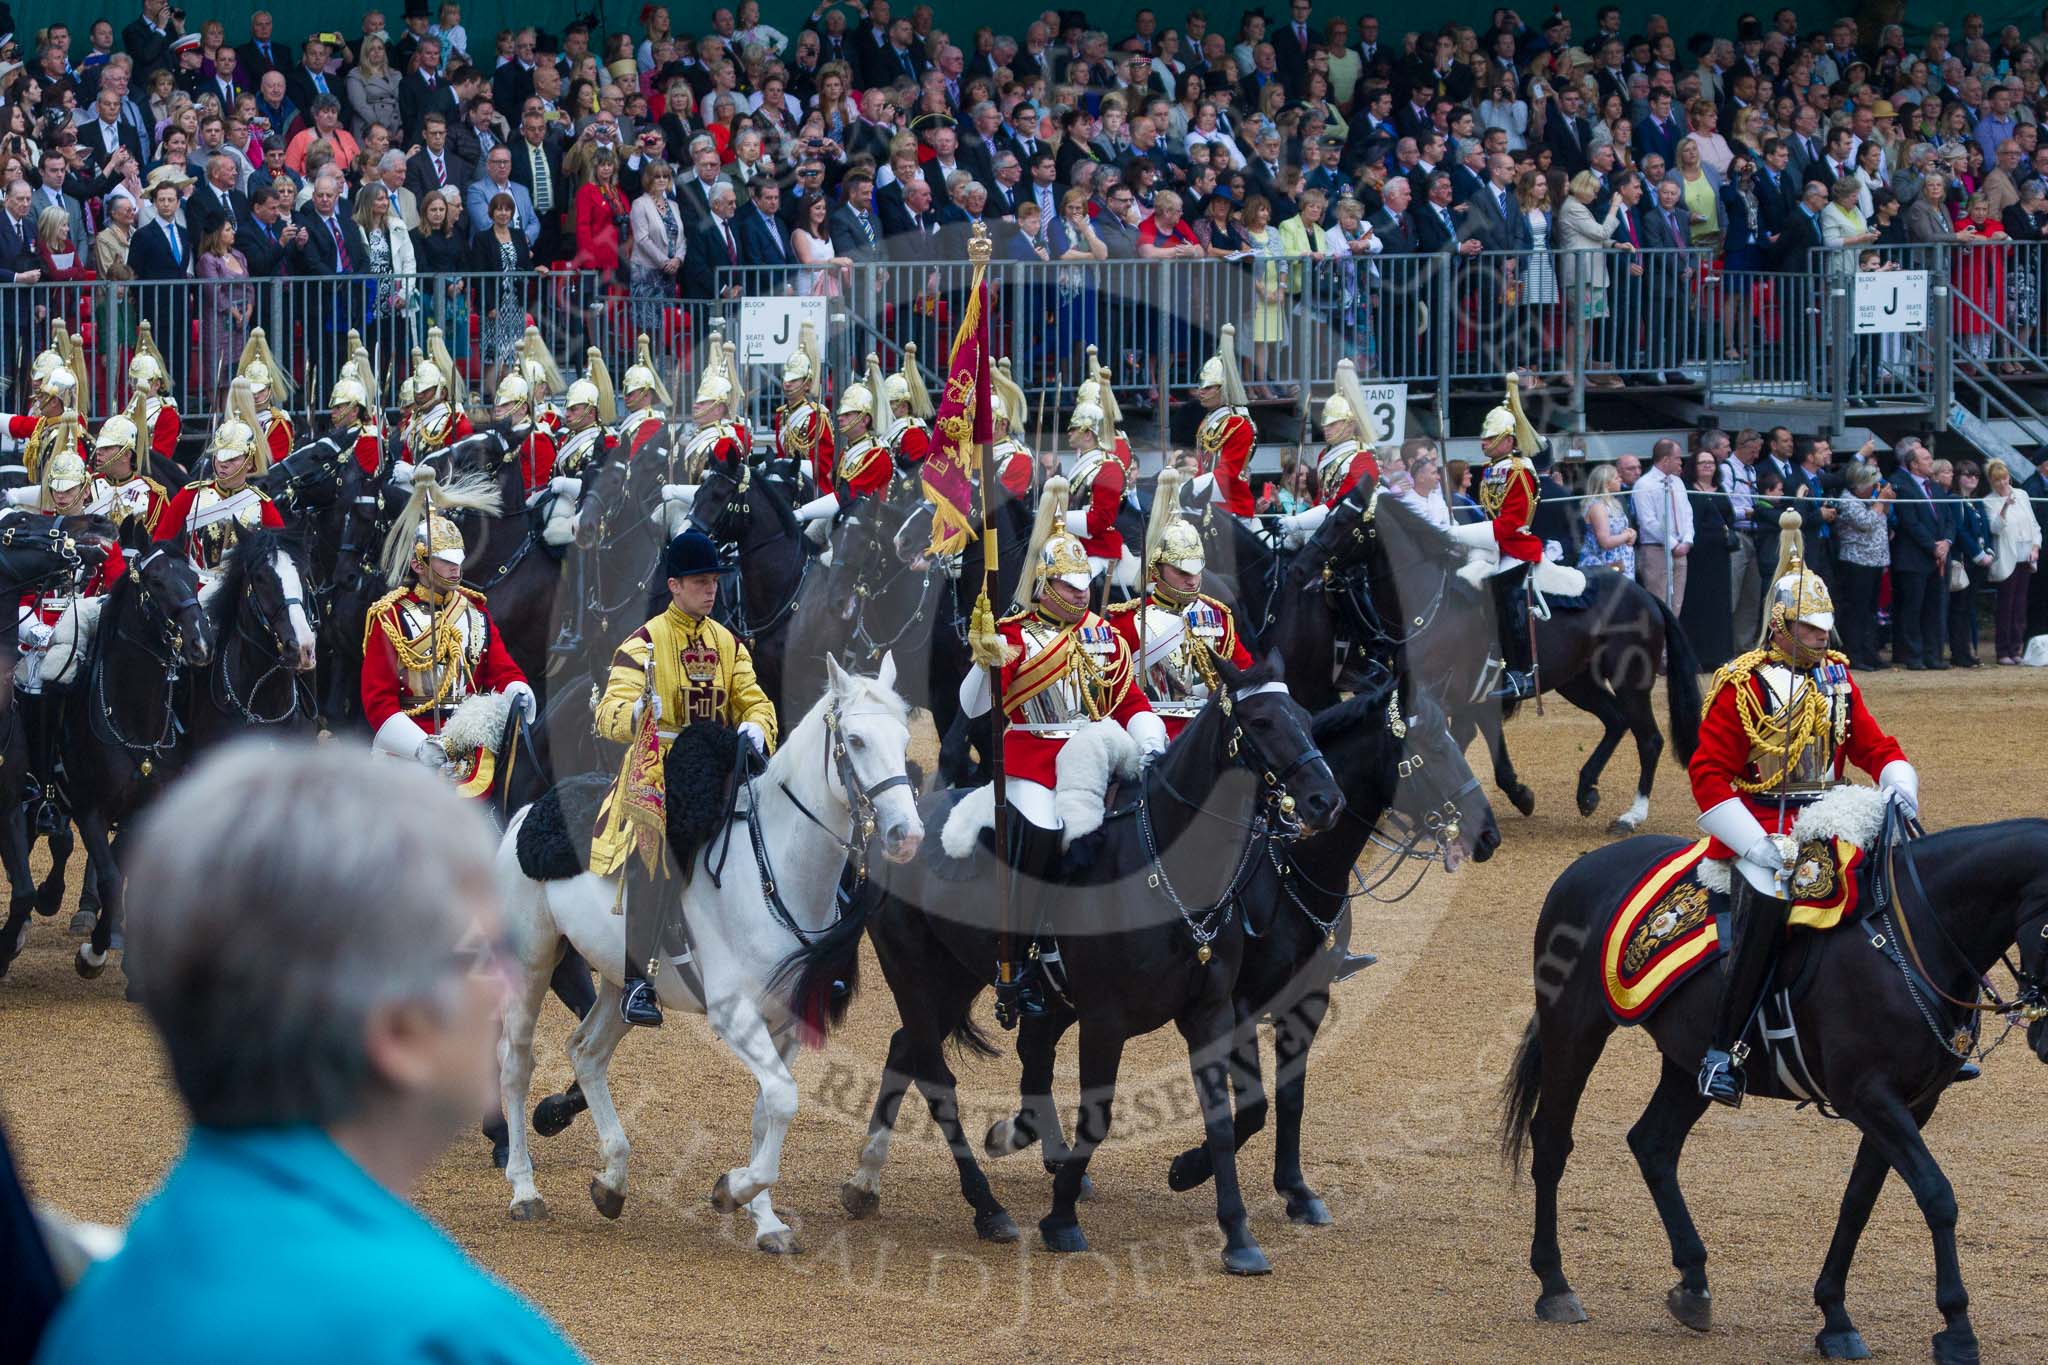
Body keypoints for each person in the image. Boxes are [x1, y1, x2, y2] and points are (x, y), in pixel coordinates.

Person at [30, 741, 586, 1365]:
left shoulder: (93, 1312)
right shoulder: (465, 1341)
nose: (508, 983)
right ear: (397, 1032)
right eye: (488, 950)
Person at [1690, 519, 1918, 1106]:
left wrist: (1897, 782)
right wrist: (1752, 843)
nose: (1821, 638)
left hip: (1832, 813)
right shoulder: (1742, 686)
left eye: (1824, 629)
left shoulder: (1839, 677)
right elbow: (1708, 775)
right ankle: (1724, 1049)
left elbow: (1874, 747)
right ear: (1780, 626)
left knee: (1904, 879)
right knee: (1767, 905)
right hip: (1761, 823)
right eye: (1809, 630)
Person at [959, 480, 1166, 1022]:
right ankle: (1025, 952)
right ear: (1047, 586)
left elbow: (1131, 700)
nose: (1081, 594)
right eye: (1071, 587)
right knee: (1045, 833)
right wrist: (985, 659)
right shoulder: (1016, 637)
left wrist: (1149, 741)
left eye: (1084, 585)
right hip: (1031, 756)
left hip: (1095, 754)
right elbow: (977, 708)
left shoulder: (1105, 637)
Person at [594, 529, 778, 1027]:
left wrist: (757, 728)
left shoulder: (728, 643)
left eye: (714, 581)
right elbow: (607, 713)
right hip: (660, 769)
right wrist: (635, 713)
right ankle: (637, 980)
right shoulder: (644, 641)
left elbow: (755, 700)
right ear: (674, 585)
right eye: (699, 581)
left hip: (719, 763)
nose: (711, 589)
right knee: (659, 848)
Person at [361, 474, 537, 798]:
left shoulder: (475, 611)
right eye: (444, 562)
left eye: (457, 560)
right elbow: (378, 701)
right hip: (410, 747)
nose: (455, 570)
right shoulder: (390, 616)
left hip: (470, 745)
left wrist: (516, 690)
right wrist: (418, 746)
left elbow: (501, 670)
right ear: (418, 563)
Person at [1456, 377, 1548, 700]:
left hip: (1516, 545)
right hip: (1493, 543)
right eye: (1484, 438)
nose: (1484, 443)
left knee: (1506, 595)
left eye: (1491, 438)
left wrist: (1459, 533)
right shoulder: (1491, 469)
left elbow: (1510, 523)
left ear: (1509, 440)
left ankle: (1521, 672)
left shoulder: (1520, 470)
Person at [153, 409, 285, 574]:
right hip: (195, 590)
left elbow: (280, 558)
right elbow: (163, 545)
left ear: (249, 462)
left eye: (232, 459)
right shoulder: (190, 495)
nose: (223, 463)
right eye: (220, 456)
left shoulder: (261, 504)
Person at [1190, 324, 1257, 528]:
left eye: (1209, 387)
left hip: (1233, 513)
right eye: (1201, 386)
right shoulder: (1206, 423)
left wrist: (1187, 490)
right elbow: (1202, 468)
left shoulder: (1238, 425)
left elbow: (1226, 477)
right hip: (1207, 508)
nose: (1201, 392)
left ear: (1224, 388)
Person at [1832, 461, 1893, 671]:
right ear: (1859, 485)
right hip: (1856, 562)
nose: (1875, 489)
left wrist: (1883, 501)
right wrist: (1880, 502)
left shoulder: (1870, 500)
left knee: (1870, 611)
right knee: (1856, 611)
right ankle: (1854, 654)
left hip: (1875, 562)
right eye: (1871, 485)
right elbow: (1865, 523)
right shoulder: (1848, 501)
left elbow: (1884, 520)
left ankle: (1870, 651)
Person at [1984, 457, 2043, 663]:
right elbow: (1995, 528)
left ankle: (2016, 649)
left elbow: (2034, 525)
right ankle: (2002, 651)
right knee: (2006, 606)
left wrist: (2036, 547)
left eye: (2005, 478)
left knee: (2020, 605)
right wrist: (2005, 507)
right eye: (1998, 480)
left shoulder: (2022, 494)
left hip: (2026, 556)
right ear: (1992, 481)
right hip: (2007, 558)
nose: (2003, 483)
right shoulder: (1989, 501)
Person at [1631, 438, 1694, 611]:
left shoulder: (1678, 482)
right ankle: (1660, 639)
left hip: (1681, 551)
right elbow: (1648, 521)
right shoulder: (1644, 485)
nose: (1680, 462)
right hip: (1656, 551)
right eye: (1678, 458)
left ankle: (1674, 638)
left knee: (1677, 604)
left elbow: (1687, 513)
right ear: (1666, 460)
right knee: (1658, 603)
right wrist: (1673, 544)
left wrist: (1687, 541)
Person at [774, 323, 831, 492]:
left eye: (794, 380)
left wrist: (789, 467)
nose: (787, 384)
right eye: (786, 379)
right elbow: (781, 454)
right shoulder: (781, 415)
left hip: (812, 487)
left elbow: (823, 464)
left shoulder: (816, 416)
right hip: (787, 483)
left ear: (807, 384)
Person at [1577, 463, 1637, 576]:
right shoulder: (1597, 506)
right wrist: (1627, 536)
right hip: (1605, 566)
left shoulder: (1614, 503)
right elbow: (1605, 542)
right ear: (1606, 484)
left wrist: (1632, 533)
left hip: (1620, 565)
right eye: (1616, 478)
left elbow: (1620, 529)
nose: (1620, 479)